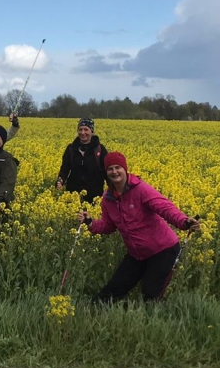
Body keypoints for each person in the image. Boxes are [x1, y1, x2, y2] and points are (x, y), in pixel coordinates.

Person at [78, 152, 201, 304]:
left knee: (151, 295)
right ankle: (91, 311)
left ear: (125, 169)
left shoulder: (141, 189)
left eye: (118, 167)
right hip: (137, 254)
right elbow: (108, 225)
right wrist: (90, 223)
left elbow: (165, 207)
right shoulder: (108, 198)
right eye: (110, 169)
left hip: (163, 250)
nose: (114, 172)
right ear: (106, 172)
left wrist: (184, 222)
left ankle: (154, 317)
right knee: (111, 293)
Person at [56, 117, 108, 198]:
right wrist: (60, 181)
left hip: (94, 196)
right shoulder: (71, 149)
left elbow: (107, 171)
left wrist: (114, 189)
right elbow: (64, 169)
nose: (82, 132)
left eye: (86, 129)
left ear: (92, 131)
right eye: (80, 129)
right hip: (73, 195)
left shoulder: (100, 149)